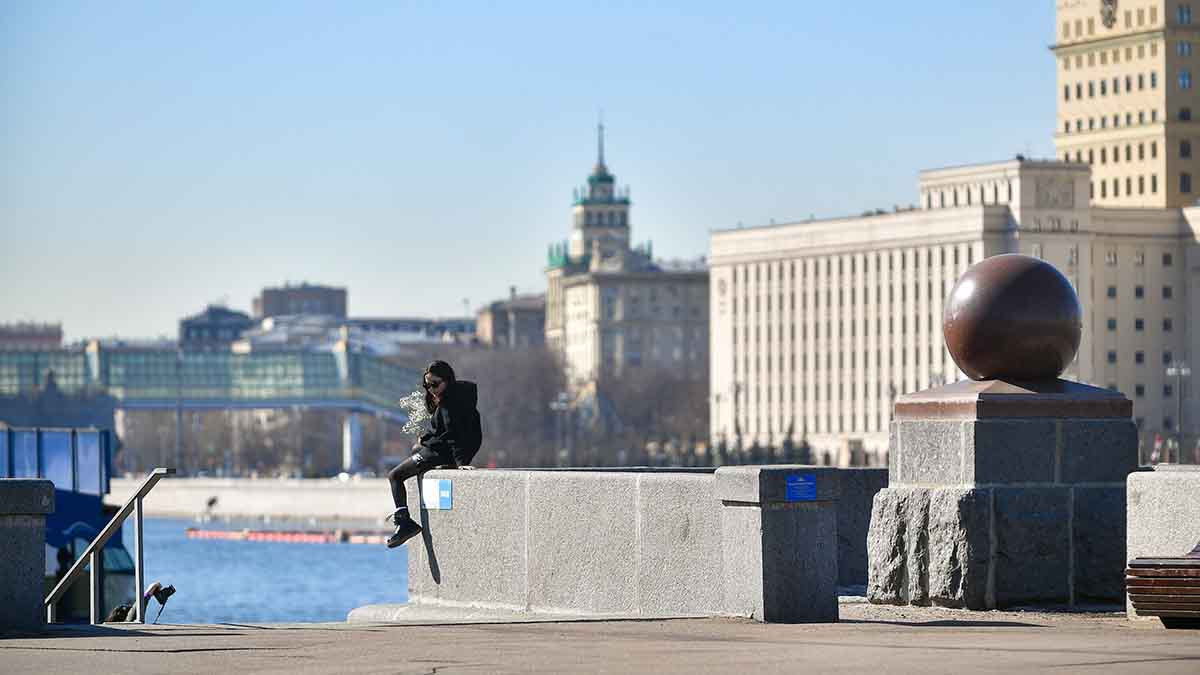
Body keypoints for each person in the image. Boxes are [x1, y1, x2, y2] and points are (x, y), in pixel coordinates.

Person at [386, 360, 482, 548]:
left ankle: (405, 523)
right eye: (426, 385)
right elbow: (446, 431)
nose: (430, 389)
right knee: (416, 449)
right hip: (445, 449)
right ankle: (405, 521)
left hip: (442, 452)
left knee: (395, 476)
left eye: (434, 384)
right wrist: (425, 439)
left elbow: (454, 434)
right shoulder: (460, 397)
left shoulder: (449, 404)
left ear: (447, 381)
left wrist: (460, 461)